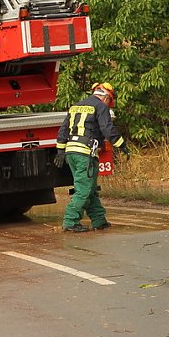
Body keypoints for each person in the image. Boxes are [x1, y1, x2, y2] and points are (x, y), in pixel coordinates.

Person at [55, 82, 130, 232]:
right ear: (106, 98)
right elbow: (107, 129)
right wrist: (122, 145)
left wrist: (60, 152)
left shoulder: (76, 106)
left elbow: (63, 130)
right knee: (84, 189)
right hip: (85, 154)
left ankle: (99, 220)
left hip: (72, 153)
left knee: (90, 188)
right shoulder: (101, 107)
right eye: (110, 102)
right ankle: (70, 221)